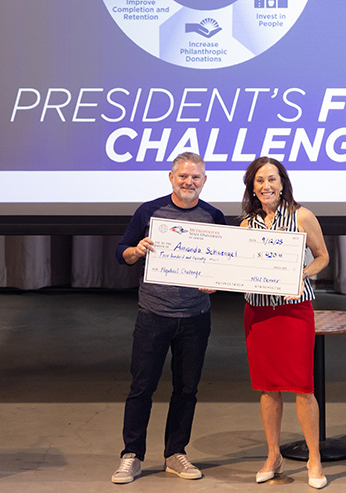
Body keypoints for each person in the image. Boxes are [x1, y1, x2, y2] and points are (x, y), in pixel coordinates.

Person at [111, 152, 227, 484]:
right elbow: (122, 251)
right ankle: (131, 455)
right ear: (171, 177)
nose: (189, 182)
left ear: (204, 181)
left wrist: (217, 283)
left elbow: (224, 263)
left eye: (196, 177)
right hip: (153, 314)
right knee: (141, 387)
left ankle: (175, 454)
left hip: (195, 317)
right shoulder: (149, 211)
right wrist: (136, 251)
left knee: (187, 389)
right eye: (183, 176)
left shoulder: (214, 216)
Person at [239, 157, 330, 489]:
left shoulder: (302, 216)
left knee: (303, 387)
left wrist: (299, 275)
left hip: (294, 311)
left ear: (283, 183)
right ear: (252, 187)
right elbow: (240, 269)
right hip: (259, 313)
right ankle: (273, 455)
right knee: (268, 388)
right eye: (260, 180)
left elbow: (323, 257)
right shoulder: (246, 225)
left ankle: (314, 458)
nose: (267, 186)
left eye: (272, 179)